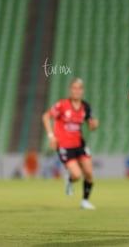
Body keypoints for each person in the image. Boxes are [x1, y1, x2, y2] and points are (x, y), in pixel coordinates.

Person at [42, 78, 98, 209]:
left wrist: (94, 125)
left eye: (79, 88)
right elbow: (46, 116)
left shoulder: (85, 106)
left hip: (79, 144)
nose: (77, 91)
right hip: (64, 146)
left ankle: (84, 201)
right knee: (77, 175)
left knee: (89, 173)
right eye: (74, 88)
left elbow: (91, 126)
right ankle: (70, 179)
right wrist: (51, 136)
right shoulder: (62, 105)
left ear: (82, 91)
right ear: (70, 90)